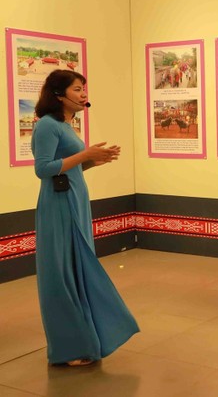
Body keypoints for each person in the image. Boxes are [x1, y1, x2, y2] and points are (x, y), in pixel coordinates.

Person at [32, 70, 139, 366]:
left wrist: (93, 161)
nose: (83, 95)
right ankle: (68, 347)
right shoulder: (47, 126)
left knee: (79, 268)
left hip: (76, 200)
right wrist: (83, 156)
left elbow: (68, 168)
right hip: (58, 205)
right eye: (77, 89)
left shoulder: (67, 125)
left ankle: (85, 339)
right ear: (58, 94)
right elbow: (43, 169)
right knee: (62, 274)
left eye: (84, 89)